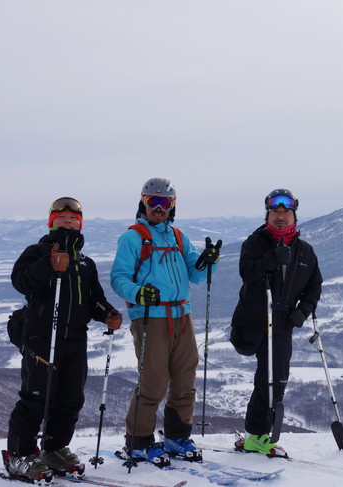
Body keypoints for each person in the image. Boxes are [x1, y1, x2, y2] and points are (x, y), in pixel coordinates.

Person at [5, 197, 122, 482]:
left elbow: (94, 300)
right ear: (51, 221)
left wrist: (108, 314)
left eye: (73, 218)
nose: (68, 221)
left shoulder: (85, 263)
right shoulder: (37, 251)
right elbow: (20, 280)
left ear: (80, 224)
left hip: (75, 338)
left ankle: (54, 447)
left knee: (70, 398)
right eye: (62, 217)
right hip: (42, 336)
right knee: (35, 397)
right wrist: (48, 265)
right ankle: (20, 453)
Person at [110, 178, 219, 466]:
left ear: (172, 206)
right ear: (143, 203)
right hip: (150, 317)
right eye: (152, 202)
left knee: (185, 378)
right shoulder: (133, 237)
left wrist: (209, 261)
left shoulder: (179, 237)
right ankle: (139, 441)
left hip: (182, 315)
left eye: (164, 203)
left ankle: (177, 436)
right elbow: (119, 278)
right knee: (154, 380)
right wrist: (138, 293)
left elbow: (196, 275)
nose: (158, 208)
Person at [230, 188, 322, 457]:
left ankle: (256, 435)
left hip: (282, 322)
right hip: (253, 321)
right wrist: (271, 260)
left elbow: (314, 286)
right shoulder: (255, 243)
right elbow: (247, 273)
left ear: (294, 215)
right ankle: (256, 435)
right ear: (267, 214)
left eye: (286, 212)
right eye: (275, 211)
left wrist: (302, 311)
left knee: (274, 380)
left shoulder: (305, 252)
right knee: (266, 379)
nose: (280, 216)